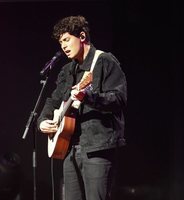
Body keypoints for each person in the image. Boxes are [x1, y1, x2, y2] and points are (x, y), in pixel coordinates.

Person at [37, 15, 127, 200]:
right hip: (69, 148)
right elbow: (53, 101)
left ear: (82, 36)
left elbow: (118, 99)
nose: (63, 46)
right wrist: (43, 121)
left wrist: (89, 97)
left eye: (66, 39)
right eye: (60, 42)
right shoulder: (66, 71)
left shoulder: (105, 61)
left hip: (97, 147)